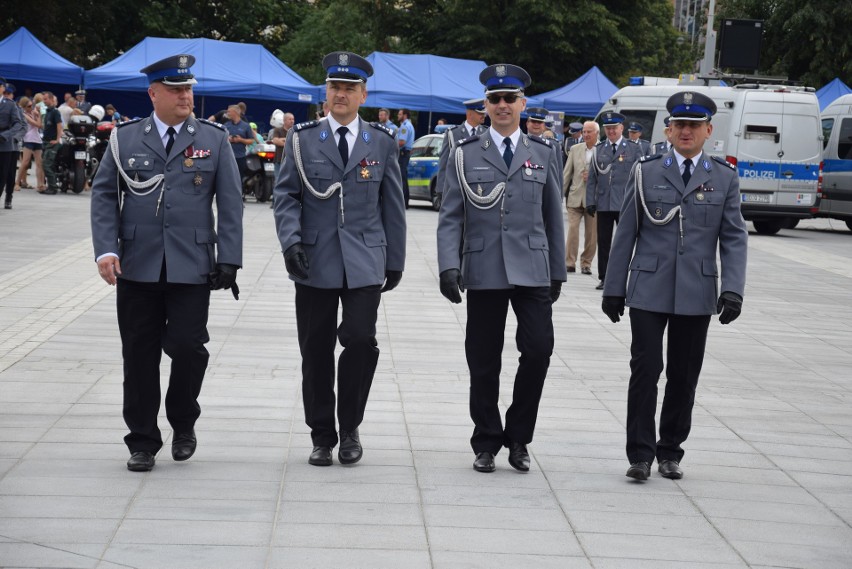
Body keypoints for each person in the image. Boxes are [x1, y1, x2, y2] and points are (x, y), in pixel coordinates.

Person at [90, 54, 244, 472]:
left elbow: (230, 203)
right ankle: (142, 440)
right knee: (138, 354)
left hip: (192, 264)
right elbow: (105, 194)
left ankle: (183, 420)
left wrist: (229, 258)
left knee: (189, 348)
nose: (185, 96)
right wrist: (106, 248)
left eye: (189, 89)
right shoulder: (125, 139)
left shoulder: (213, 138)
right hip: (138, 264)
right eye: (176, 90)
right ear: (153, 93)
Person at [601, 91, 747, 481]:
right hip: (648, 287)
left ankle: (670, 451)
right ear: (668, 129)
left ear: (708, 131)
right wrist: (614, 287)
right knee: (645, 369)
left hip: (696, 292)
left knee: (684, 374)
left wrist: (732, 288)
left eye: (693, 126)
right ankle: (640, 454)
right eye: (679, 124)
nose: (685, 131)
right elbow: (626, 232)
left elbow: (733, 238)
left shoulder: (724, 177)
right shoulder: (646, 171)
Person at [273, 51, 406, 467]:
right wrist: (290, 242)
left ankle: (349, 426)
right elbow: (285, 196)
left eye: (349, 88)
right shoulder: (302, 139)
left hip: (365, 258)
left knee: (361, 341)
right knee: (315, 349)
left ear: (363, 94)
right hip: (314, 259)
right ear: (326, 92)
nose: (341, 95)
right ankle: (321, 435)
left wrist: (395, 259)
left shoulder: (381, 142)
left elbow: (393, 205)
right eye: (335, 87)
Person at [437, 63, 567, 473]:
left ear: (523, 104)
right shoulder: (464, 152)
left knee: (539, 350)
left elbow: (553, 216)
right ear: (486, 105)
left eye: (510, 98)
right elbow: (450, 216)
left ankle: (519, 436)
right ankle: (487, 440)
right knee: (483, 358)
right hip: (485, 267)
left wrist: (558, 272)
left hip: (532, 268)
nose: (503, 105)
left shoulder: (542, 152)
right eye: (495, 99)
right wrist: (447, 266)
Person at [586, 111, 641, 290]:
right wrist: (590, 201)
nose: (611, 131)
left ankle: (622, 277)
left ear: (621, 128)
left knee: (624, 242)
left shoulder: (633, 148)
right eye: (608, 128)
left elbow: (641, 176)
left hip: (625, 203)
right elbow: (592, 177)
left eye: (614, 128)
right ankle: (604, 277)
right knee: (603, 242)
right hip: (604, 202)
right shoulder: (599, 149)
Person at [563, 120, 599, 275]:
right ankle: (570, 262)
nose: (585, 134)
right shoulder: (575, 149)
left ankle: (586, 263)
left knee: (591, 234)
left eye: (589, 131)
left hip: (594, 200)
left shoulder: (603, 150)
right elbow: (566, 174)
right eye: (584, 131)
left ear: (597, 133)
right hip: (575, 197)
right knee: (572, 230)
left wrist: (593, 177)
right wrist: (558, 194)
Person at [435, 98, 486, 198]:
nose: (484, 115)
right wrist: (441, 189)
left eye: (484, 112)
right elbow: (444, 163)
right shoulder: (453, 134)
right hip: (457, 188)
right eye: (480, 113)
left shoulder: (486, 133)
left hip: (480, 189)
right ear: (470, 114)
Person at [0, 80, 25, 210]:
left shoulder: (15, 107)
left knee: (8, 174)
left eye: (8, 93)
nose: (7, 95)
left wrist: (13, 137)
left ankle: (8, 196)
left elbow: (22, 126)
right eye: (6, 93)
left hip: (11, 145)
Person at [16, 97, 46, 192]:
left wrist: (37, 115)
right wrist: (39, 115)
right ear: (24, 107)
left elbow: (41, 125)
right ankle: (17, 183)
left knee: (39, 163)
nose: (31, 107)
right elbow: (38, 125)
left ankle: (40, 184)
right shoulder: (24, 115)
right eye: (29, 106)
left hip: (37, 139)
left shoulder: (33, 113)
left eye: (32, 105)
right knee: (25, 162)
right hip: (28, 139)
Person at [39, 92, 62, 195]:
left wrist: (57, 139)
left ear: (52, 99)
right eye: (43, 99)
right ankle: (50, 186)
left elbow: (59, 126)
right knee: (48, 165)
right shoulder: (48, 112)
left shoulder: (55, 112)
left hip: (52, 143)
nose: (44, 101)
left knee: (47, 165)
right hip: (46, 142)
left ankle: (53, 188)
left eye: (46, 99)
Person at [223, 104, 253, 179]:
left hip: (240, 157)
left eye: (229, 111)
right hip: (227, 157)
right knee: (227, 178)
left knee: (239, 178)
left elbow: (251, 141)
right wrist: (227, 139)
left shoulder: (246, 126)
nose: (227, 113)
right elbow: (220, 139)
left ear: (235, 112)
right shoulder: (226, 125)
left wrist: (240, 140)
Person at [397, 108, 415, 208]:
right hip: (405, 153)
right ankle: (405, 201)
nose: (398, 116)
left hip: (403, 154)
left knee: (402, 178)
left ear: (405, 115)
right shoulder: (408, 125)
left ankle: (403, 202)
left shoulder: (404, 126)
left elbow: (401, 142)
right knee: (403, 177)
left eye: (400, 114)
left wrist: (391, 145)